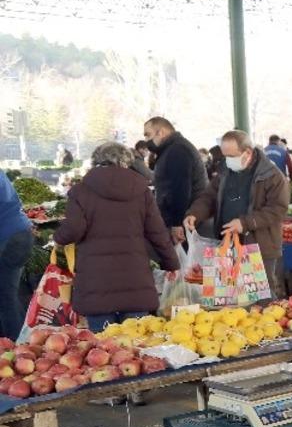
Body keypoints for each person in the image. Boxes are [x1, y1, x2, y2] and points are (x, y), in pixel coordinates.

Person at [52, 143, 179, 331]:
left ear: (96, 160)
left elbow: (73, 229)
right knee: (136, 347)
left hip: (96, 283)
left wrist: (58, 238)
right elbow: (157, 231)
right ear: (126, 161)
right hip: (135, 280)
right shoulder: (141, 189)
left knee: (104, 352)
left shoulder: (81, 190)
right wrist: (171, 263)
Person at [184, 131, 290, 299]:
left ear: (247, 152)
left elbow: (277, 209)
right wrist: (195, 213)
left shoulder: (272, 176)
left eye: (231, 155)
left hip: (259, 246)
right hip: (226, 244)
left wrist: (245, 223)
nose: (227, 160)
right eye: (225, 156)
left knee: (258, 298)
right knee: (228, 297)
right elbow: (209, 196)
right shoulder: (226, 172)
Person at [142, 117, 208, 244]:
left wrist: (177, 224)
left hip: (186, 220)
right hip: (185, 218)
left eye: (148, 135)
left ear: (161, 132)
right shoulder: (171, 149)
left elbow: (180, 189)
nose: (146, 140)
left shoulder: (177, 150)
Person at [0, 172, 34, 339]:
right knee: (8, 294)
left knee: (5, 297)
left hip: (7, 238)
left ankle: (16, 346)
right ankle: (21, 342)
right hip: (20, 233)